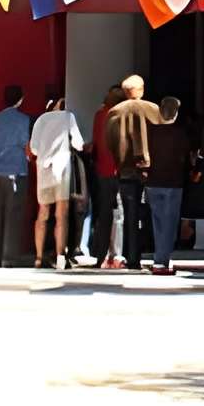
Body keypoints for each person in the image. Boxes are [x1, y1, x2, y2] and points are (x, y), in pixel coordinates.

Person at [101, 74, 181, 275]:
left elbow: (109, 141)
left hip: (125, 171)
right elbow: (164, 138)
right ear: (142, 89)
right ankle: (158, 255)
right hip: (151, 171)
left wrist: (120, 158)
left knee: (130, 214)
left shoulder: (114, 113)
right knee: (156, 215)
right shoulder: (153, 109)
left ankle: (133, 258)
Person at [26, 90, 85, 269]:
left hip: (44, 170)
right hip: (62, 169)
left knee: (42, 214)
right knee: (61, 215)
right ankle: (60, 257)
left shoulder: (40, 120)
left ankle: (38, 258)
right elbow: (78, 144)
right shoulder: (68, 117)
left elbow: (34, 149)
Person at [145, 88, 196, 276]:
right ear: (176, 113)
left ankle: (159, 256)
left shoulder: (150, 132)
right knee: (170, 223)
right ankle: (162, 259)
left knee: (157, 221)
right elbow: (188, 157)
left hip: (153, 181)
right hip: (173, 183)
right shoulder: (181, 134)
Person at [0, 83, 34, 269]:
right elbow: (26, 144)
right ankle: (9, 258)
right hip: (16, 169)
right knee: (13, 215)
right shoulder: (23, 120)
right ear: (20, 99)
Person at [88, 79, 127, 267]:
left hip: (101, 170)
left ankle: (101, 255)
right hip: (118, 170)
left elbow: (96, 142)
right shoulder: (120, 116)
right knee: (118, 214)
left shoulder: (99, 115)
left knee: (104, 214)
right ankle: (116, 254)